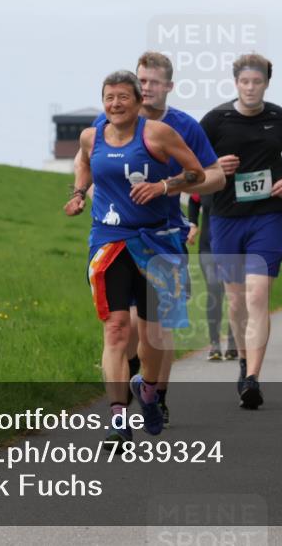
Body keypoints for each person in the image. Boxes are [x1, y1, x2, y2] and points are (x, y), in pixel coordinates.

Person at [78, 52, 225, 427]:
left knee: (155, 331)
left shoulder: (179, 127)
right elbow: (88, 158)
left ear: (164, 88)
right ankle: (116, 415)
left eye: (150, 83)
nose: (144, 87)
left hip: (161, 238)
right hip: (112, 239)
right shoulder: (100, 126)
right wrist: (82, 194)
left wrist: (164, 187)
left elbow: (211, 177)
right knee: (116, 327)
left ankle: (154, 393)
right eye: (140, 80)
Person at [200, 53, 282, 409]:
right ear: (235, 83)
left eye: (256, 82)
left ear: (266, 84)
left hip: (268, 216)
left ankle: (253, 378)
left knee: (258, 296)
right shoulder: (215, 120)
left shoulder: (279, 117)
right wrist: (213, 165)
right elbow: (191, 162)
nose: (250, 88)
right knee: (236, 300)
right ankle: (243, 360)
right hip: (227, 218)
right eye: (244, 82)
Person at [187, 193, 237, 360]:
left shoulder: (237, 181)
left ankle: (232, 342)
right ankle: (214, 343)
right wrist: (193, 223)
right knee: (214, 288)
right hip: (208, 247)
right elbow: (194, 200)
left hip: (234, 248)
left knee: (234, 294)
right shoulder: (208, 179)